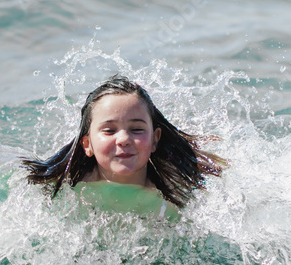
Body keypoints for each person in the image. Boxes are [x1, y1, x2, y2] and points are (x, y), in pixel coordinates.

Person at [21, 75, 225, 217]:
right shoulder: (67, 190)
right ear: (87, 144)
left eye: (136, 129)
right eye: (109, 130)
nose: (124, 139)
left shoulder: (178, 191)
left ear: (155, 139)